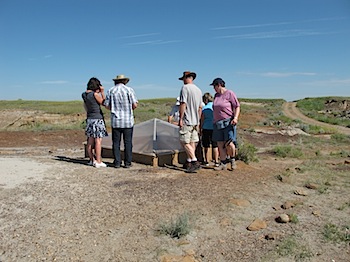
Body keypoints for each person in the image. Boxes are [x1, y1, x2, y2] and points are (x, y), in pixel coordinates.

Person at [104, 74, 138, 168]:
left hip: (116, 120)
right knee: (128, 142)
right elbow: (135, 105)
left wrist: (114, 108)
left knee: (116, 142)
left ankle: (117, 162)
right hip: (127, 120)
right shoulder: (129, 90)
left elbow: (106, 105)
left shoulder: (111, 90)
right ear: (124, 81)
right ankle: (128, 162)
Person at [211, 77, 240, 171]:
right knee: (219, 143)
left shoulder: (230, 93)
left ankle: (232, 160)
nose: (214, 88)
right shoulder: (216, 96)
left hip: (228, 122)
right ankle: (223, 163)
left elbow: (237, 106)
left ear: (219, 85)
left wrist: (235, 118)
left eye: (214, 86)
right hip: (217, 123)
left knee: (229, 143)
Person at [178, 71, 203, 173]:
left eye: (184, 78)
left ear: (188, 78)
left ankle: (194, 161)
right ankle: (189, 161)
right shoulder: (198, 90)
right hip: (195, 120)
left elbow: (183, 103)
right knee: (192, 141)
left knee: (184, 141)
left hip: (187, 119)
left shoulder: (185, 88)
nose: (183, 80)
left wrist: (180, 118)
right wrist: (198, 120)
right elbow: (200, 107)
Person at [82, 77, 108, 168]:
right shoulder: (95, 95)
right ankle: (98, 161)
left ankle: (91, 159)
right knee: (98, 140)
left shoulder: (84, 95)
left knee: (90, 140)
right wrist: (102, 92)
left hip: (89, 119)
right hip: (97, 118)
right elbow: (104, 103)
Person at [200, 92, 219, 167]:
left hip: (206, 128)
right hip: (214, 127)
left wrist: (200, 128)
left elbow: (202, 119)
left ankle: (206, 161)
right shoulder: (215, 107)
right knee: (215, 145)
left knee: (206, 145)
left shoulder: (204, 108)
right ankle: (216, 161)